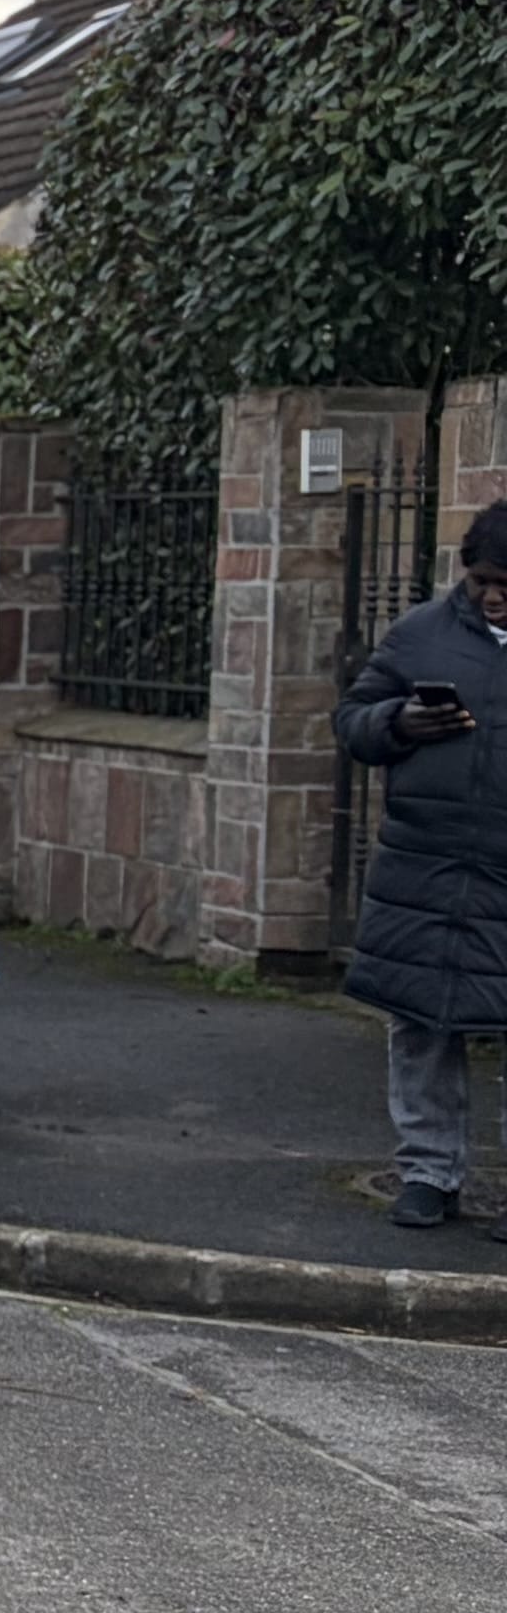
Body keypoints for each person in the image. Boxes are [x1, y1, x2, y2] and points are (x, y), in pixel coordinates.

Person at [338, 502, 507, 1230]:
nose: (494, 596)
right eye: (481, 583)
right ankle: (428, 1173)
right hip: (426, 863)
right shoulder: (419, 635)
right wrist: (398, 722)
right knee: (420, 1021)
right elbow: (354, 720)